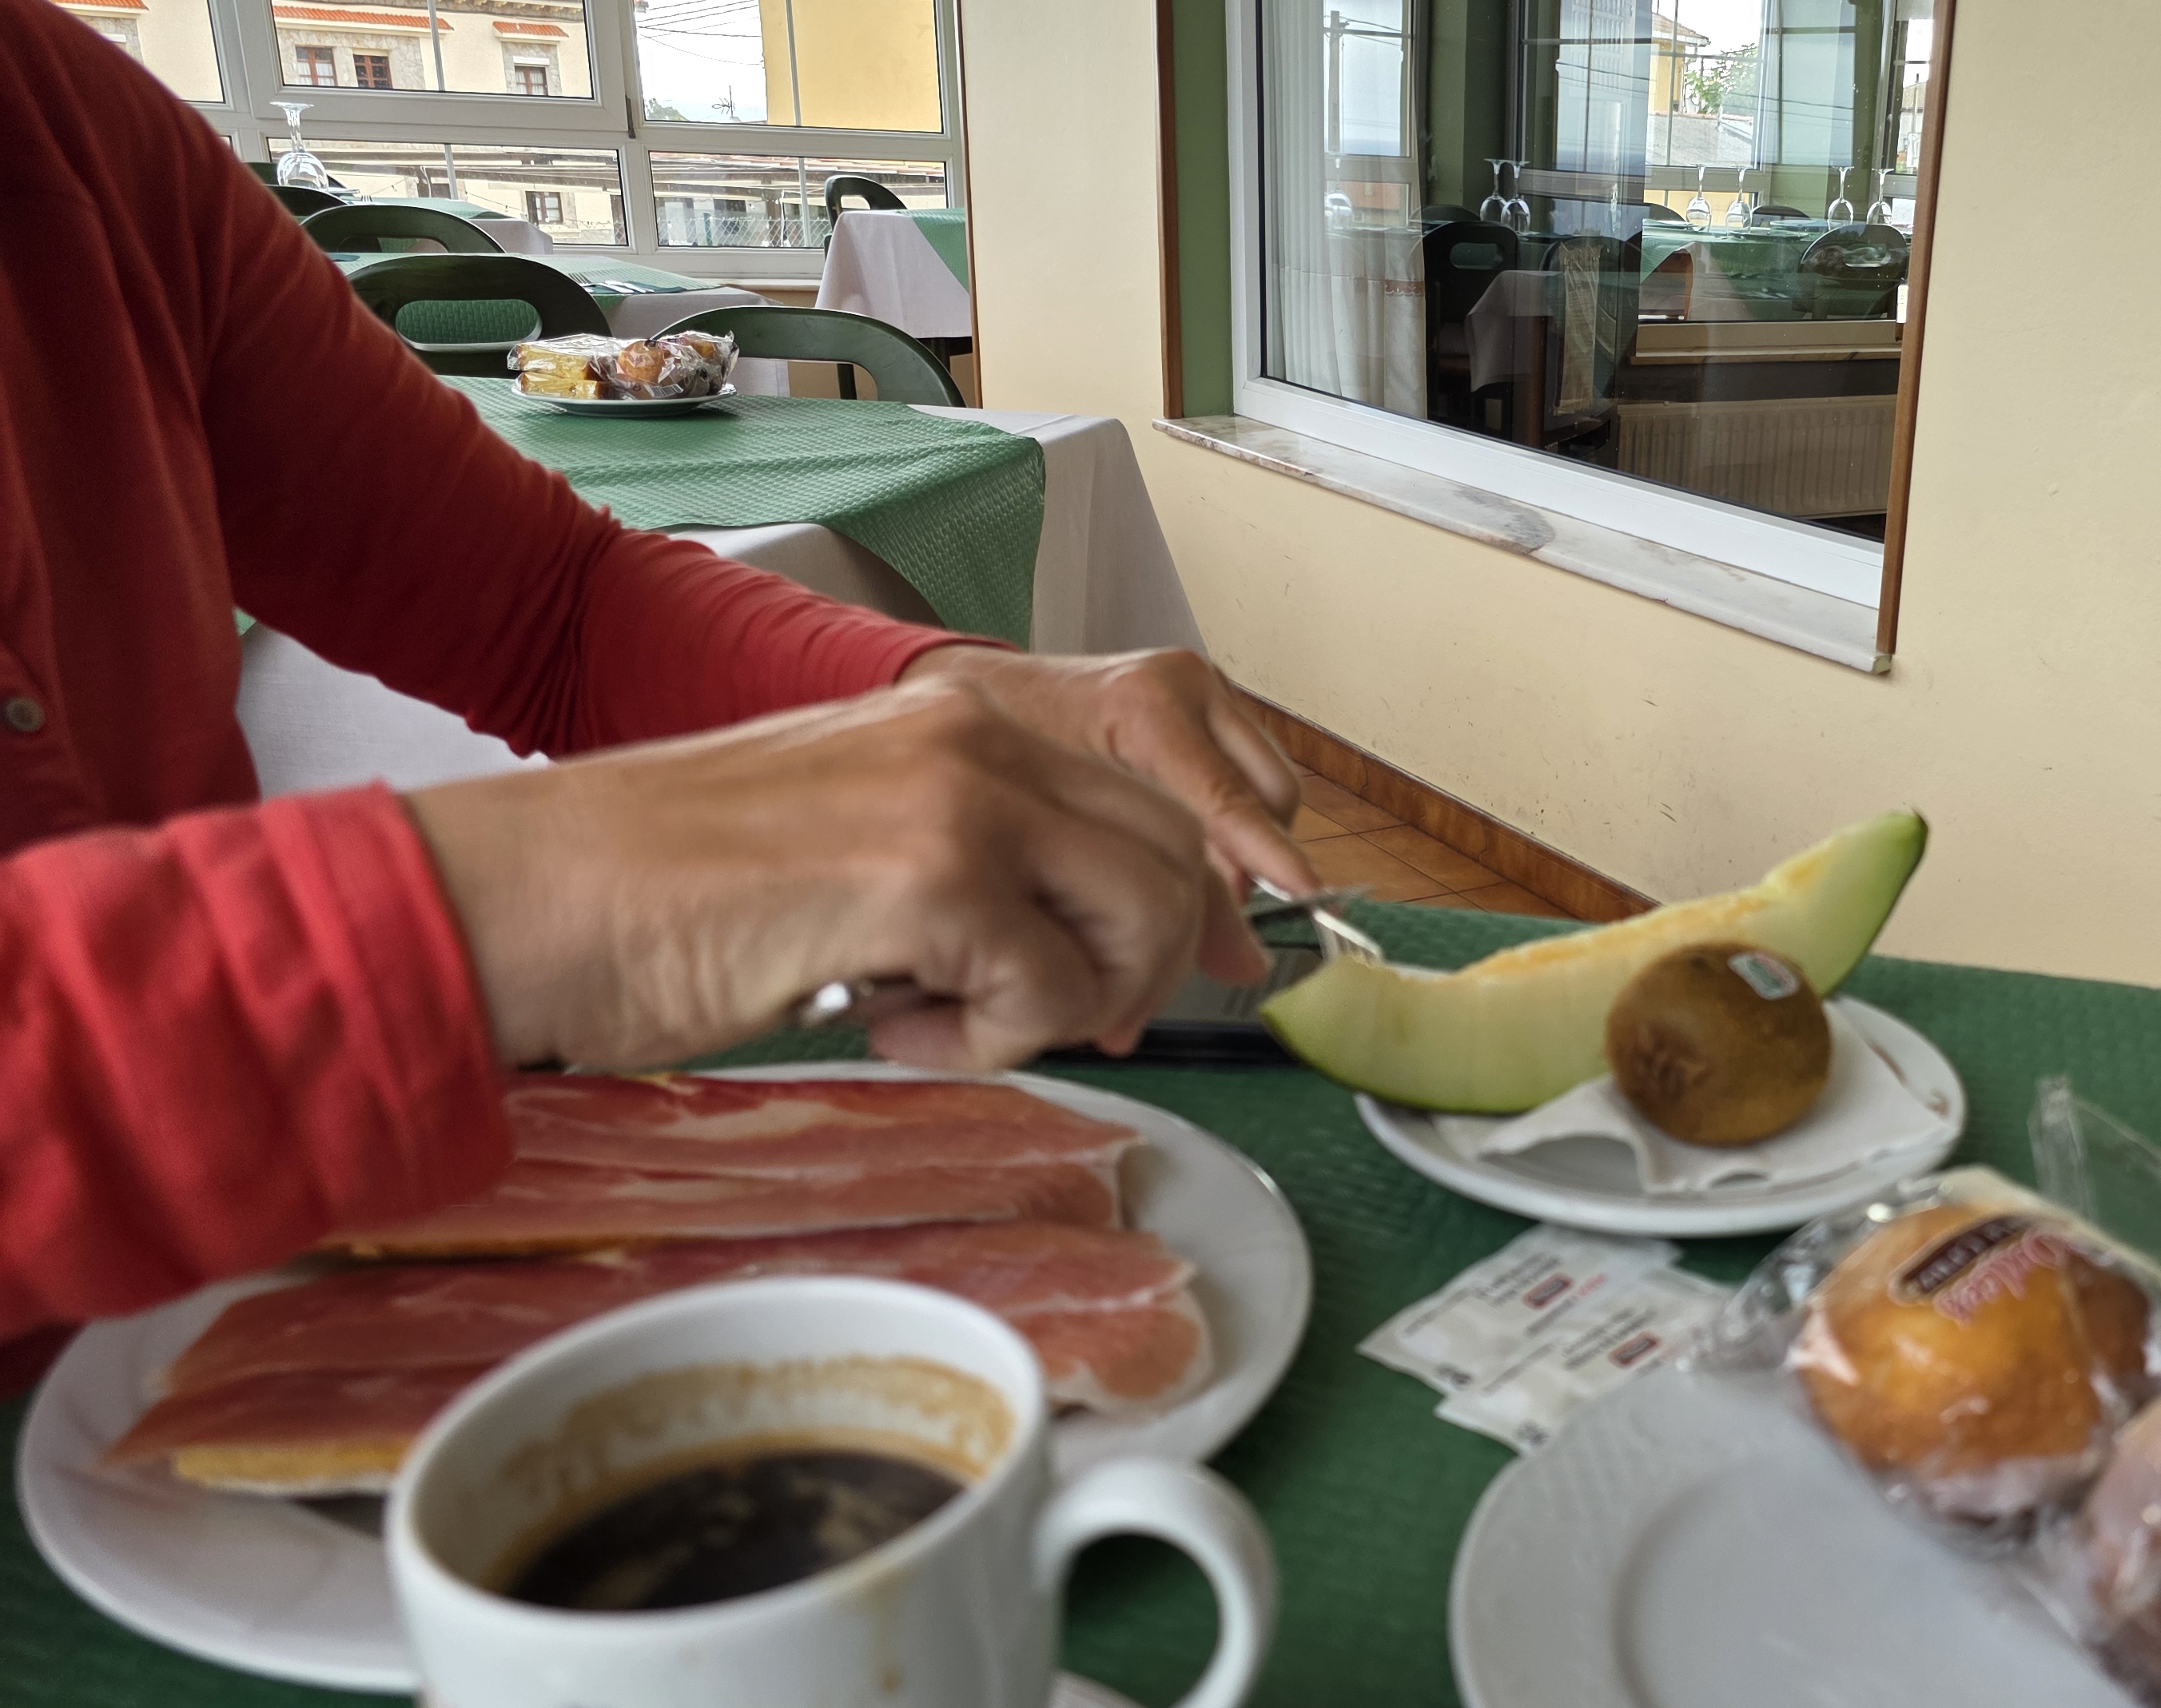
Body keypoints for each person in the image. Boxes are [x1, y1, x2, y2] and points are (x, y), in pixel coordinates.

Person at [0, 0, 1316, 1353]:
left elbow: (551, 605)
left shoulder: (76, 128)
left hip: (188, 1337)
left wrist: (934, 693)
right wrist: (517, 901)